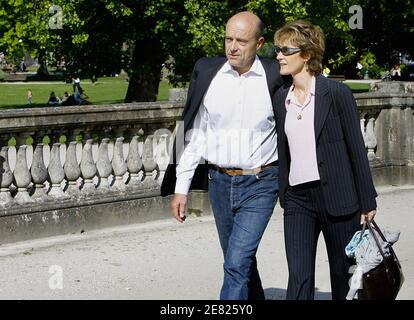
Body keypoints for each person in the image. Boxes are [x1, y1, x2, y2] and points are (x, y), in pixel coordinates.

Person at [161, 11, 284, 300]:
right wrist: (181, 189)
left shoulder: (276, 75)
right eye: (228, 38)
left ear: (260, 43)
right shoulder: (208, 73)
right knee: (239, 260)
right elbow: (194, 135)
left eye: (241, 40)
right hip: (220, 183)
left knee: (236, 263)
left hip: (262, 183)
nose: (232, 46)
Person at [273, 20, 377, 300]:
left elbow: (357, 149)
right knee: (298, 277)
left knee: (343, 277)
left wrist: (368, 201)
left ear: (306, 55)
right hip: (297, 200)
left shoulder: (337, 94)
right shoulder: (281, 98)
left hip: (339, 198)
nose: (279, 55)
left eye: (285, 49)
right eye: (277, 49)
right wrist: (283, 192)